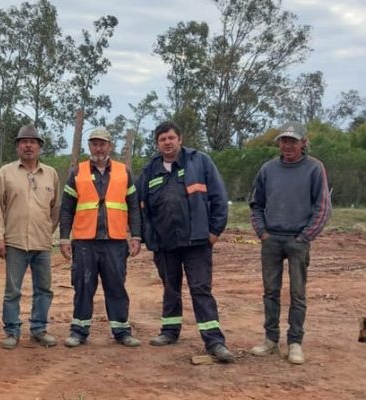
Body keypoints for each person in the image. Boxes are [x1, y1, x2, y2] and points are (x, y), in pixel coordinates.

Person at [137, 121, 235, 363]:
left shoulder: (199, 161)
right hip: (165, 243)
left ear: (180, 139)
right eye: (162, 139)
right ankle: (169, 331)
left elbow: (219, 198)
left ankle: (214, 340)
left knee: (200, 289)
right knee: (171, 289)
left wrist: (214, 232)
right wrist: (150, 239)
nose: (167, 142)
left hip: (197, 242)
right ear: (157, 144)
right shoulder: (150, 169)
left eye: (171, 137)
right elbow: (141, 208)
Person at [249, 121, 331, 365]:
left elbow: (323, 208)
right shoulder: (268, 169)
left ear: (303, 143)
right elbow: (256, 204)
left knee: (297, 294)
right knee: (270, 292)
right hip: (271, 239)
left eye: (292, 141)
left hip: (298, 239)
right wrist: (262, 233)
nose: (287, 145)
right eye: (284, 141)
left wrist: (305, 237)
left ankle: (295, 342)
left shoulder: (315, 169)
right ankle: (270, 339)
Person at [59, 128, 142, 348]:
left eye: (102, 144)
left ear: (110, 146)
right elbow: (67, 208)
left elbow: (134, 206)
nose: (98, 148)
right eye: (94, 144)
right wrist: (64, 239)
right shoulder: (78, 172)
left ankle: (122, 331)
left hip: (115, 241)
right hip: (85, 241)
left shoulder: (124, 172)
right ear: (89, 146)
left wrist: (136, 236)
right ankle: (79, 331)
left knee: (116, 286)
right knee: (83, 286)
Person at [0, 124, 60, 350]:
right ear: (18, 146)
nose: (28, 145)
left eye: (33, 142)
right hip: (15, 241)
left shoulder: (51, 174)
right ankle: (12, 331)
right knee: (13, 290)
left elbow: (56, 208)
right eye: (23, 142)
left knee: (44, 289)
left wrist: (48, 229)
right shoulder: (5, 173)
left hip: (42, 242)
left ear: (39, 147)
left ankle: (39, 329)